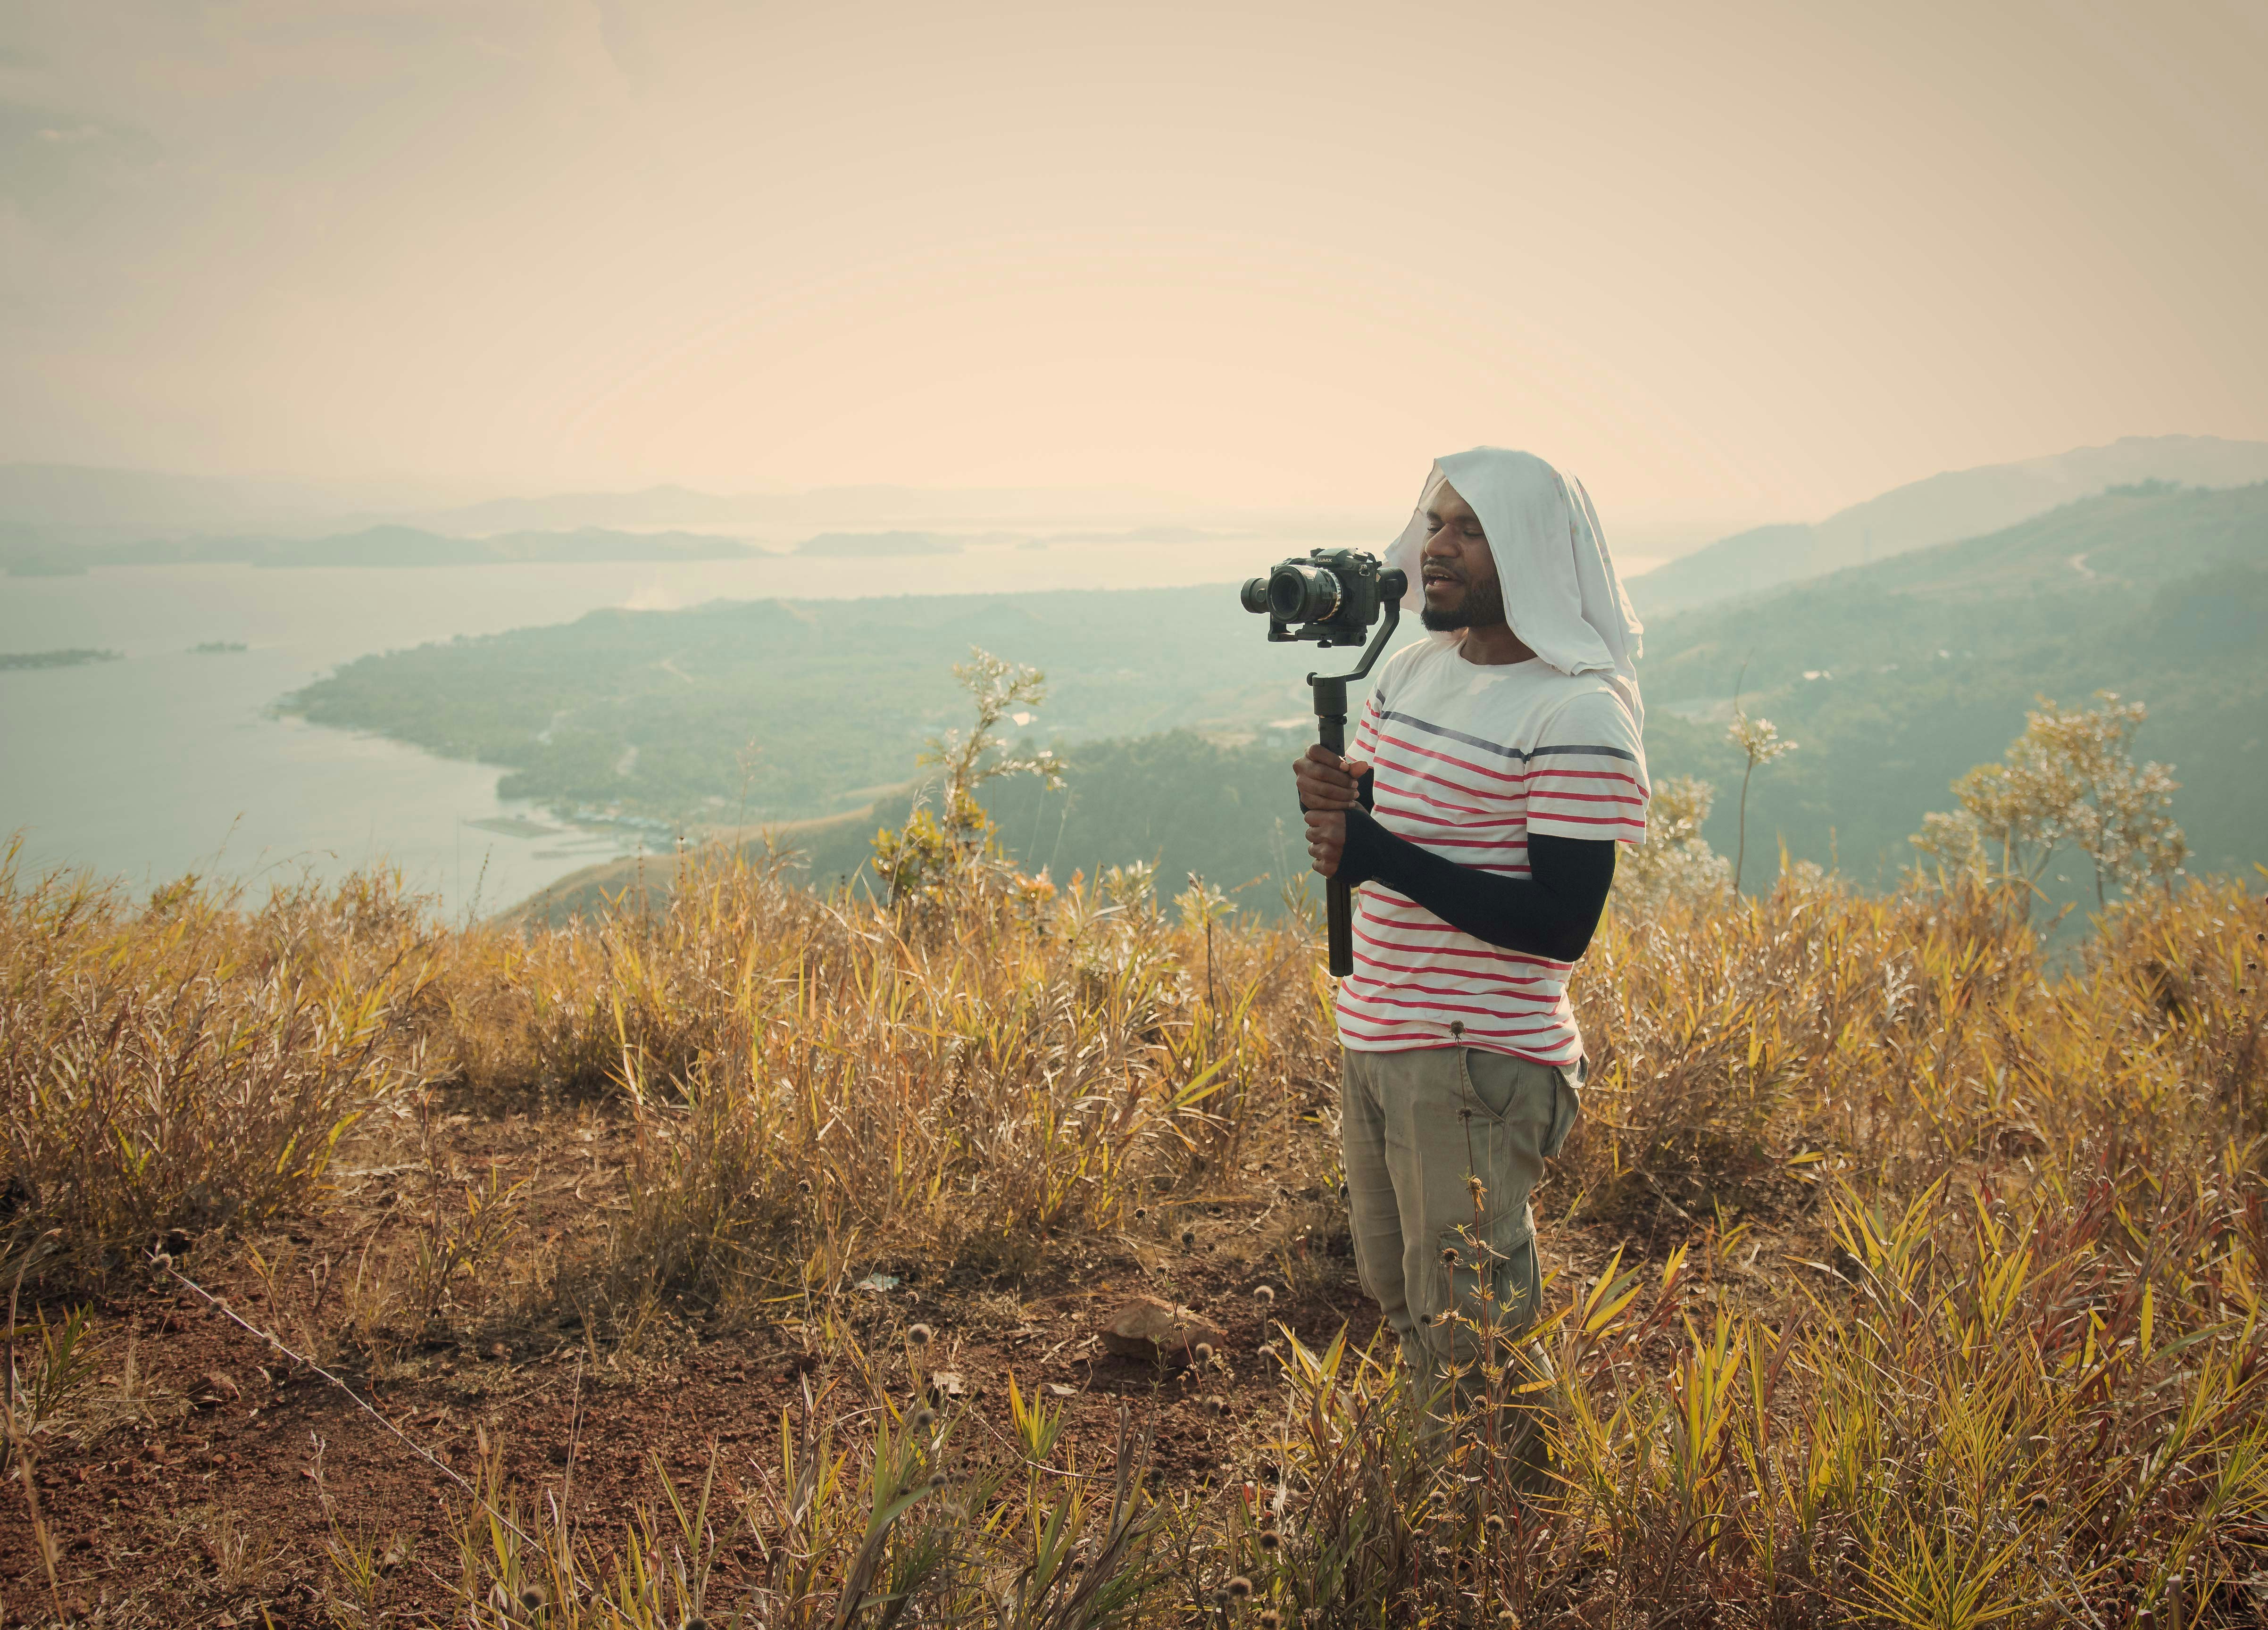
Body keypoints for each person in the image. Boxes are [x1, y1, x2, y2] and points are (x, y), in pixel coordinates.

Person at [1293, 448, 1647, 1461]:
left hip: (1474, 1055)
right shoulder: (1411, 668)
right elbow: (1394, 837)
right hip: (1382, 1034)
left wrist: (1376, 852)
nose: (1435, 547)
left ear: (1532, 554)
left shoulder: (1573, 710)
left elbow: (1556, 925)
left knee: (1472, 1331)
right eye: (1434, 522)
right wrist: (1341, 808)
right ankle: (1441, 1511)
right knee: (1404, 1301)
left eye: (1471, 529)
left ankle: (1503, 1542)